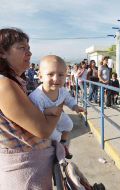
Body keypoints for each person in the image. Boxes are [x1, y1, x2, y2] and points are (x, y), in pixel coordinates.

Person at [0, 28, 63, 189]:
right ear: (2, 53)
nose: (29, 53)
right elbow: (43, 130)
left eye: (28, 48)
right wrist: (60, 102)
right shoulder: (4, 84)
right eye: (22, 48)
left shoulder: (13, 81)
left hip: (30, 168)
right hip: (25, 173)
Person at [29, 55, 86, 159]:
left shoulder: (62, 90)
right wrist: (48, 111)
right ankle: (56, 150)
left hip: (57, 115)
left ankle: (63, 144)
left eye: (61, 75)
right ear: (40, 76)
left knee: (69, 125)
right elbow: (36, 115)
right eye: (50, 74)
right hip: (44, 122)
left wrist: (75, 107)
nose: (56, 79)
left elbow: (68, 98)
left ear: (66, 76)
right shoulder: (37, 96)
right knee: (55, 136)